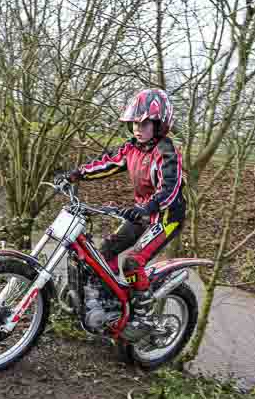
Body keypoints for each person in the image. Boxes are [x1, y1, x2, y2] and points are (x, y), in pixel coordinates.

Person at [57, 88, 185, 341]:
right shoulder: (131, 148)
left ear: (159, 124)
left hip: (166, 216)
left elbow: (169, 189)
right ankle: (110, 300)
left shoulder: (167, 152)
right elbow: (107, 163)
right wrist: (76, 173)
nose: (137, 128)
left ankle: (144, 316)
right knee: (104, 251)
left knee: (133, 262)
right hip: (141, 213)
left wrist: (147, 208)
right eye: (134, 123)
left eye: (144, 122)